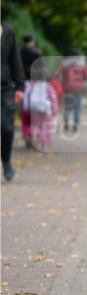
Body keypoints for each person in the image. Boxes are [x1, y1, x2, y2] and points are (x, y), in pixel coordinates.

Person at [1, 23, 26, 181]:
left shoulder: (8, 32)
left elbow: (15, 59)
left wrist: (19, 86)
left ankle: (6, 161)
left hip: (5, 88)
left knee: (7, 128)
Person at [58, 50, 87, 133]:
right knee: (77, 107)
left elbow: (60, 75)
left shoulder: (64, 64)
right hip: (79, 88)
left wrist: (63, 83)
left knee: (67, 106)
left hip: (67, 88)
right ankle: (76, 124)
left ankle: (66, 122)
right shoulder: (83, 65)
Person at [19, 35, 42, 147]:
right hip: (35, 84)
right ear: (32, 41)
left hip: (23, 84)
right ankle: (35, 135)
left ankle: (27, 134)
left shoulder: (19, 53)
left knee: (25, 111)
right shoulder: (37, 54)